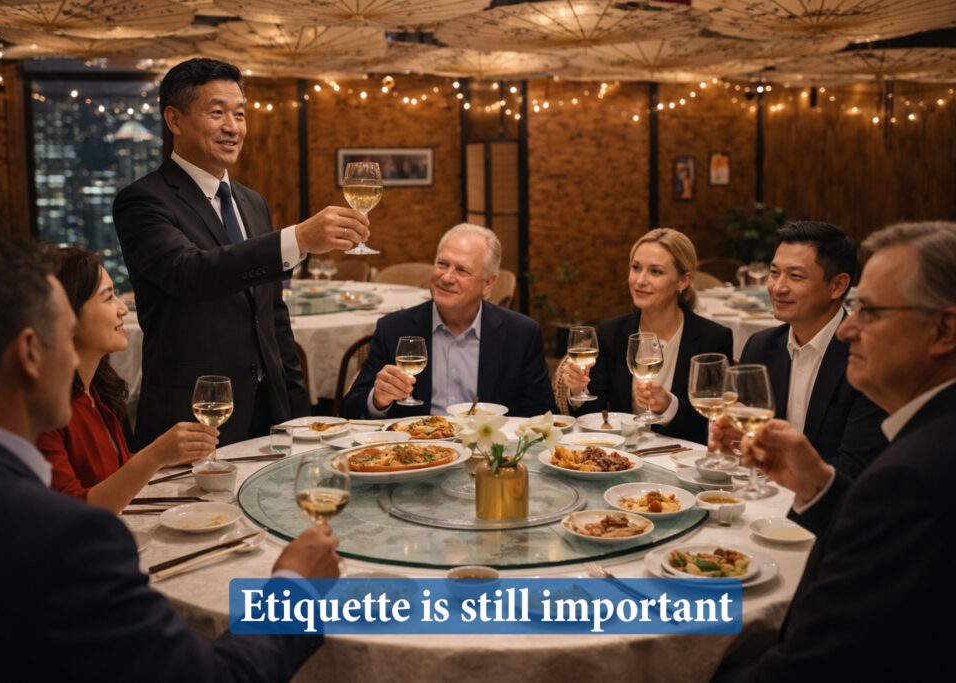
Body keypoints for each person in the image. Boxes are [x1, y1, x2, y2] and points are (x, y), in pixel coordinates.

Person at [0, 233, 341, 682]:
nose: (73, 350)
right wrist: (293, 585)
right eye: (63, 331)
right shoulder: (65, 540)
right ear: (31, 352)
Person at [711, 221, 956, 681]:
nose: (849, 331)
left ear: (945, 329)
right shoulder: (937, 430)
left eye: (869, 311)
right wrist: (816, 484)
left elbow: (820, 663)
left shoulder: (916, 474)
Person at [114, 57, 369, 448]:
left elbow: (273, 316)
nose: (232, 127)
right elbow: (188, 272)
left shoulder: (252, 203)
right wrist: (296, 239)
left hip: (269, 411)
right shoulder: (144, 201)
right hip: (194, 416)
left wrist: (299, 413)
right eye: (217, 113)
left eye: (239, 114)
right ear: (175, 119)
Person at [36, 247, 219, 513]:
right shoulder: (44, 411)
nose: (122, 309)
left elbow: (110, 469)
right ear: (65, 315)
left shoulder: (95, 391)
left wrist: (171, 456)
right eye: (108, 298)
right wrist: (154, 456)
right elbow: (68, 512)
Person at [342, 223, 556, 418]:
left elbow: (543, 414)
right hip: (415, 453)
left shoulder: (521, 334)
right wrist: (378, 400)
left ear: (488, 283)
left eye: (462, 270)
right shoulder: (394, 328)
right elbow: (350, 409)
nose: (446, 277)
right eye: (442, 264)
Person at [739, 221, 886, 478]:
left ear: (838, 286)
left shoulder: (868, 357)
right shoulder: (760, 348)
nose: (777, 287)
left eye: (795, 276)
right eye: (774, 273)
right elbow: (746, 438)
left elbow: (857, 466)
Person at [563, 228, 733, 442]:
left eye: (656, 272)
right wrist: (579, 389)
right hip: (623, 456)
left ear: (683, 281)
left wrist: (668, 406)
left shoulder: (713, 338)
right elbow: (591, 418)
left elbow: (714, 424)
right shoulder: (612, 333)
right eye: (636, 268)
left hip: (681, 460)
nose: (640, 280)